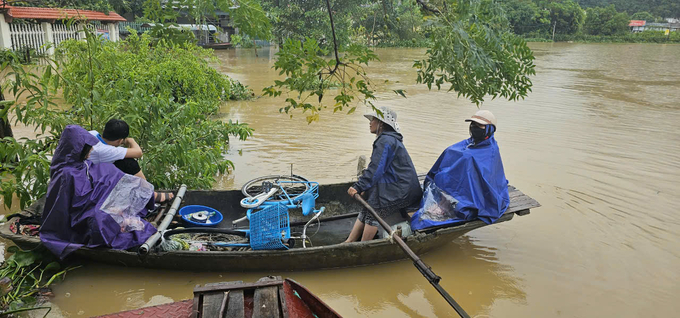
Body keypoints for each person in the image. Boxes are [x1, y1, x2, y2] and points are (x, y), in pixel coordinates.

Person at [39, 125, 165, 259]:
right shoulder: (65, 173)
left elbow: (95, 180)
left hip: (90, 203)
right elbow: (65, 206)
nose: (92, 150)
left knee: (117, 180)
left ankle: (150, 197)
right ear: (79, 150)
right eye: (88, 148)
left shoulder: (80, 163)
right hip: (79, 215)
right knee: (101, 219)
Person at [410, 110, 510, 231]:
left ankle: (450, 202)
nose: (474, 127)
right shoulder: (463, 146)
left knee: (424, 220)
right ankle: (443, 198)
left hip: (469, 194)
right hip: (452, 186)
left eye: (479, 126)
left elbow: (488, 177)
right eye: (473, 124)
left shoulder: (491, 150)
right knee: (450, 154)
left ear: (490, 129)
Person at [345, 106, 422, 242]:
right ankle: (349, 242)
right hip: (398, 186)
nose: (370, 122)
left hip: (403, 190)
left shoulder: (385, 141)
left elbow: (375, 169)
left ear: (381, 123)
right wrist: (365, 188)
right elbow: (378, 170)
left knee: (375, 209)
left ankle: (363, 246)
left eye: (373, 119)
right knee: (367, 204)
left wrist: (359, 187)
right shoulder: (388, 140)